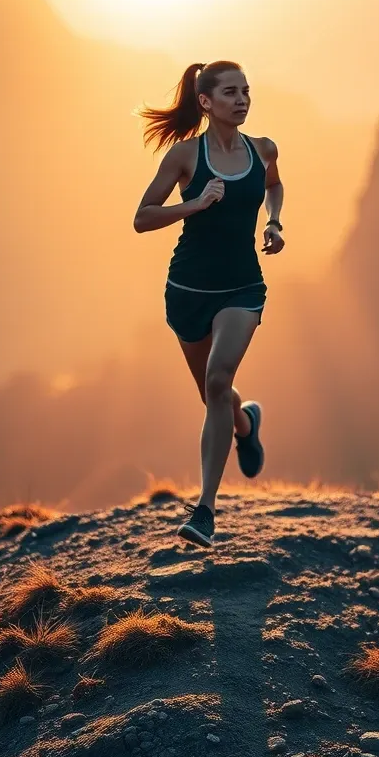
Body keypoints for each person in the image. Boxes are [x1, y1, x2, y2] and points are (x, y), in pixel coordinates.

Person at [133, 61, 285, 547]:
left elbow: (274, 185)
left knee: (219, 381)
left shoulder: (263, 149)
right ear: (205, 102)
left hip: (242, 288)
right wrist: (193, 205)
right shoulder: (185, 157)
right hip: (188, 293)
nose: (241, 99)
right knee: (214, 396)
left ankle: (205, 511)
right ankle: (246, 422)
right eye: (230, 92)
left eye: (246, 91)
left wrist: (274, 222)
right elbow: (142, 217)